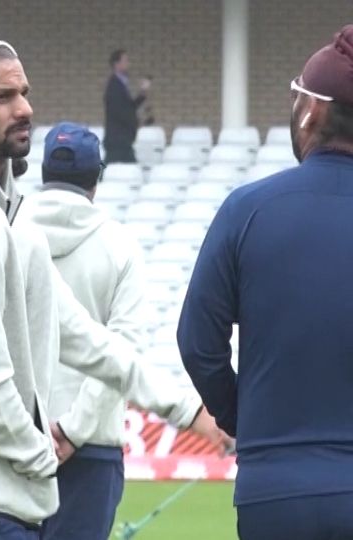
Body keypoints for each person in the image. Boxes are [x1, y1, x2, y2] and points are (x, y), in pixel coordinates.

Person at [0, 38, 224, 540]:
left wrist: (189, 411)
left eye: (24, 93)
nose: (25, 109)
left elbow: (82, 337)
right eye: (3, 98)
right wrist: (38, 455)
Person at [178, 25, 353, 540]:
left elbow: (197, 341)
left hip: (277, 489)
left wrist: (241, 416)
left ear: (311, 111)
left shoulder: (247, 209)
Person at [19, 122, 219, 540]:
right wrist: (73, 432)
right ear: (97, 179)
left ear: (42, 174)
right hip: (91, 450)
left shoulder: (8, 236)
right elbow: (120, 351)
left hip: (14, 437)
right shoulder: (118, 244)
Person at [103, 49, 150, 163]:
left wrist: (143, 93)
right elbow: (120, 112)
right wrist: (136, 122)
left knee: (113, 168)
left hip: (122, 140)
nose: (128, 64)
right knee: (125, 168)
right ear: (116, 64)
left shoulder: (121, 84)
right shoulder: (114, 85)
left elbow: (128, 107)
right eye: (125, 61)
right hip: (118, 139)